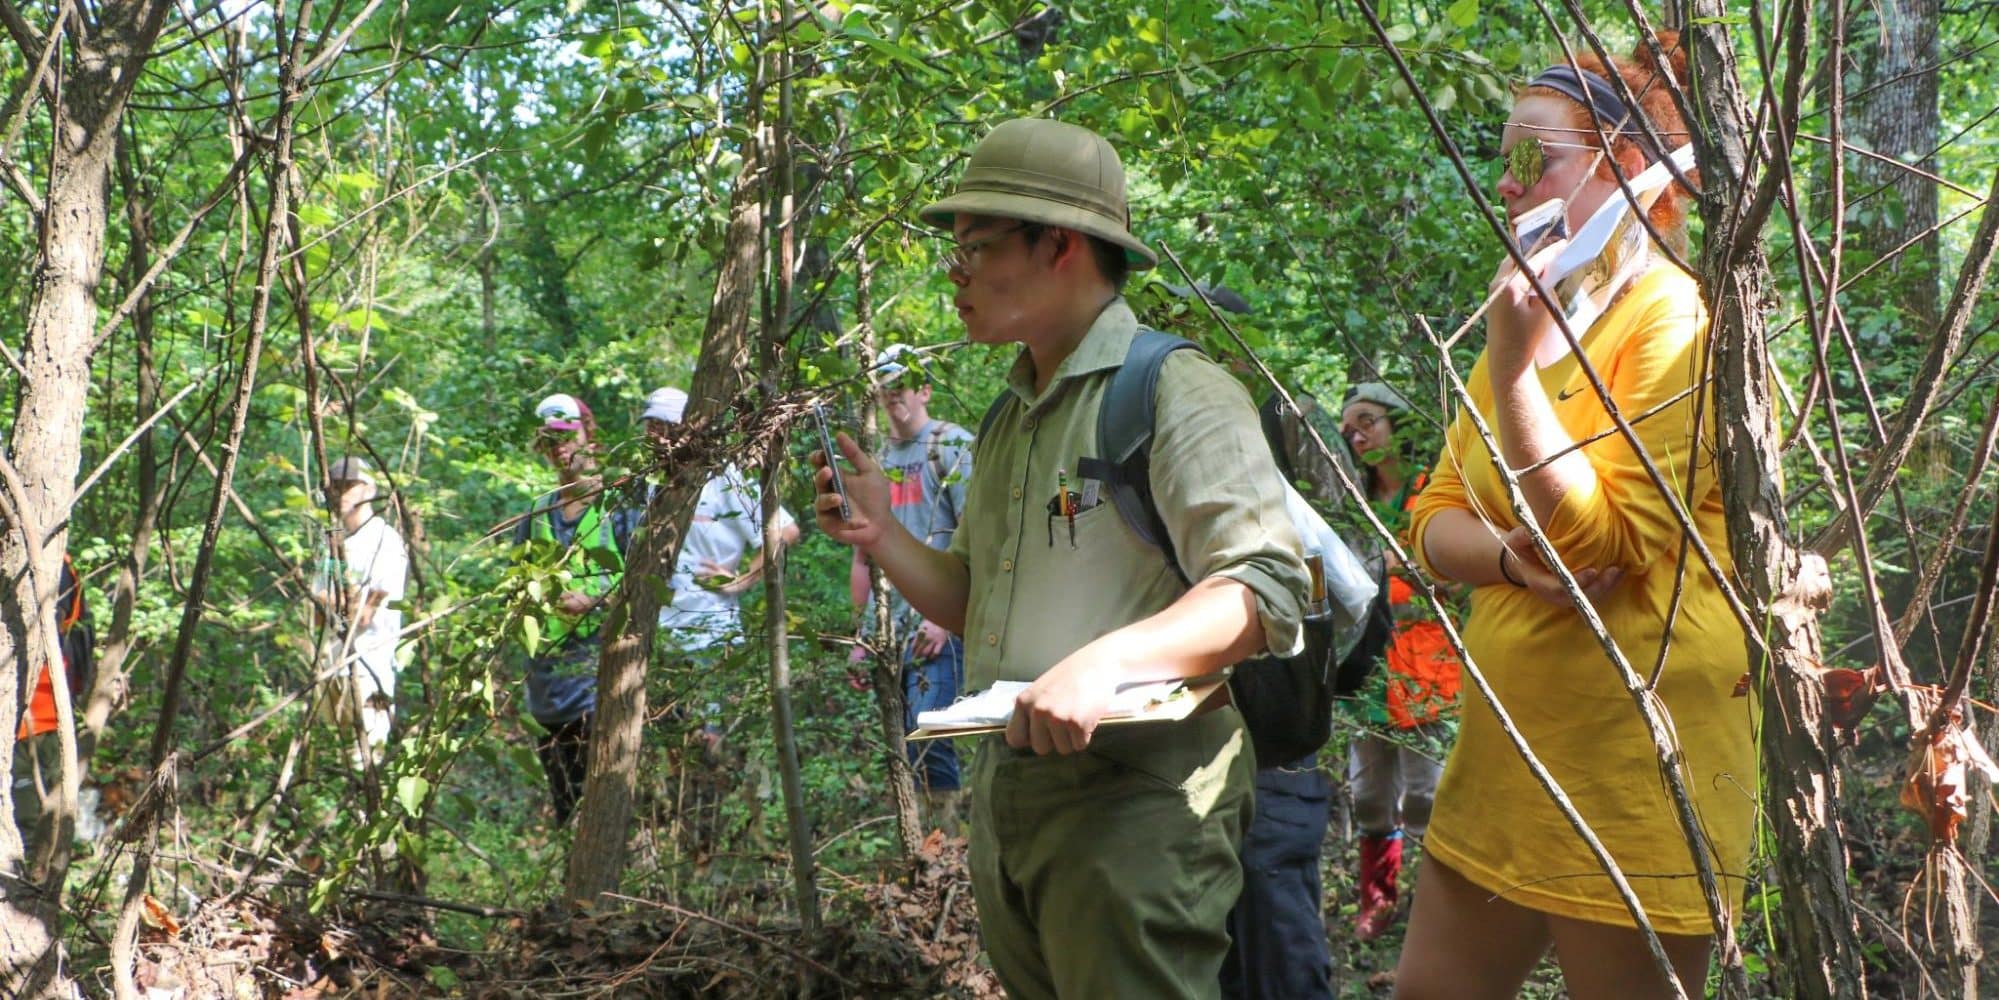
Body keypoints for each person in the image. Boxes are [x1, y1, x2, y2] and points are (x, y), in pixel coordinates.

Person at [812, 118, 1309, 999]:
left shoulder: (1175, 389)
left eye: (977, 247)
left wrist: (1104, 663)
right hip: (1014, 796)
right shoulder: (1011, 413)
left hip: (1137, 802)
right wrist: (881, 535)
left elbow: (1261, 590)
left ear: (1061, 245)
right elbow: (977, 599)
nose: (955, 272)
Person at [1393, 33, 1752, 999]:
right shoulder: (1529, 309)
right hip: (1506, 747)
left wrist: (1514, 371)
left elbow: (1603, 545)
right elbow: (1431, 518)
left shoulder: (1675, 319)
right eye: (1501, 158)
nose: (1506, 186)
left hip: (1634, 757)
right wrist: (1511, 564)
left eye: (1533, 159)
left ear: (1627, 169)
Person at [1336, 382, 1461, 941]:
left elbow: (1457, 574)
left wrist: (1399, 566)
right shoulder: (1347, 500)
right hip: (1365, 671)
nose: (1357, 435)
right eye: (1348, 428)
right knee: (1368, 794)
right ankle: (1378, 899)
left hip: (1427, 671)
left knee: (1426, 794)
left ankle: (1435, 905)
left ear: (1398, 426)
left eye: (1368, 421)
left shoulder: (1433, 492)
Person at [845, 345, 973, 832]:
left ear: (924, 390)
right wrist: (860, 637)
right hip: (890, 626)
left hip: (937, 622)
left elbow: (978, 534)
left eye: (902, 384)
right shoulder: (875, 462)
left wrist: (942, 618)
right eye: (885, 386)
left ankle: (947, 847)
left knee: (929, 732)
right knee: (900, 740)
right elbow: (862, 556)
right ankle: (920, 845)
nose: (893, 393)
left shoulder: (951, 445)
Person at [511, 392, 641, 825]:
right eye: (550, 441)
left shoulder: (619, 503)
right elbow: (518, 584)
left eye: (567, 436)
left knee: (602, 800)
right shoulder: (537, 512)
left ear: (589, 435)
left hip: (600, 677)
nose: (560, 448)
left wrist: (597, 601)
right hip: (547, 685)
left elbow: (645, 579)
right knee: (565, 802)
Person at [641, 385, 799, 657]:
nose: (655, 436)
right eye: (650, 425)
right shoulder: (653, 481)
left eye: (663, 426)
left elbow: (786, 530)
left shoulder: (722, 475)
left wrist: (742, 581)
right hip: (659, 635)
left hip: (711, 635)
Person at [310, 456, 410, 769]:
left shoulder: (384, 540)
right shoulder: (332, 542)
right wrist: (338, 600)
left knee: (365, 763)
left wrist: (335, 601)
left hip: (369, 668)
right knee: (333, 764)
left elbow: (364, 615)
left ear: (368, 489)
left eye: (348, 485)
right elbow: (316, 609)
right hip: (331, 667)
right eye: (334, 486)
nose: (340, 493)